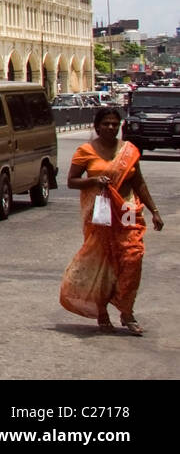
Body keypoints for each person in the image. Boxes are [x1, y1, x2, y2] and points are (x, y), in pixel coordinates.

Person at [60, 107, 164, 335]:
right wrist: (95, 180)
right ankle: (102, 310)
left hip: (127, 211)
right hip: (101, 214)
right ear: (97, 126)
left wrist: (154, 210)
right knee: (104, 264)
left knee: (133, 257)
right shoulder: (85, 151)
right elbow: (71, 181)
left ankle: (127, 311)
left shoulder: (129, 150)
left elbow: (140, 184)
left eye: (114, 124)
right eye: (106, 124)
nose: (110, 127)